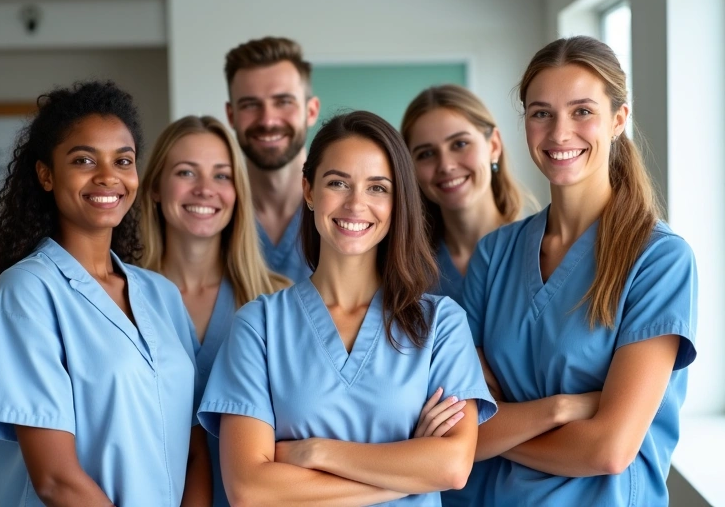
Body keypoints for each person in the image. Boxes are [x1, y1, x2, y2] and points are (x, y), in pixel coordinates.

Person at [197, 111, 497, 506]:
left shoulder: (440, 324)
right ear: (308, 190)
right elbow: (250, 490)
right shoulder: (259, 325)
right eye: (338, 183)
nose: (356, 204)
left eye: (378, 188)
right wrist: (409, 471)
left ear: (397, 201)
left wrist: (315, 452)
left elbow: (454, 467)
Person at [455, 36, 697, 507]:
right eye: (541, 113)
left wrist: (500, 428)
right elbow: (462, 431)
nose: (560, 133)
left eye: (583, 111)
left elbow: (609, 450)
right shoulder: (495, 254)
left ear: (619, 120)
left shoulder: (658, 260)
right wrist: (564, 408)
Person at [0, 81, 209, 506]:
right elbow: (56, 480)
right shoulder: (28, 293)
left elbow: (195, 448)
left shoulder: (161, 295)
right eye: (84, 159)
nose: (108, 176)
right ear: (46, 174)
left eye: (123, 160)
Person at [139, 115, 290, 506]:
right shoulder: (118, 300)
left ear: (238, 192)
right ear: (155, 187)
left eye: (222, 176)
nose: (205, 190)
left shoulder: (279, 301)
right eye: (187, 172)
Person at [401, 84, 530, 303]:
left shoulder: (536, 252)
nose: (446, 165)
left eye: (460, 144)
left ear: (494, 146)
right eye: (426, 154)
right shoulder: (406, 269)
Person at [224, 36, 320, 282]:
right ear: (231, 115)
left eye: (283, 102)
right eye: (250, 105)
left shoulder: (342, 211)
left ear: (311, 111)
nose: (267, 120)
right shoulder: (213, 211)